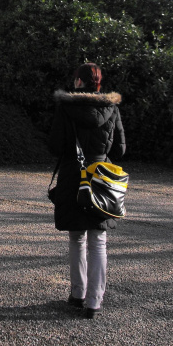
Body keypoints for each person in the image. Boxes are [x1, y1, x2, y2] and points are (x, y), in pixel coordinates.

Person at [48, 62, 126, 319]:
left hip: (74, 176)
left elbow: (56, 145)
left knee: (77, 238)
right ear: (99, 83)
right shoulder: (111, 107)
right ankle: (94, 301)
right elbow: (120, 151)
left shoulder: (67, 107)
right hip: (101, 177)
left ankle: (77, 294)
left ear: (80, 82)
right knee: (99, 241)